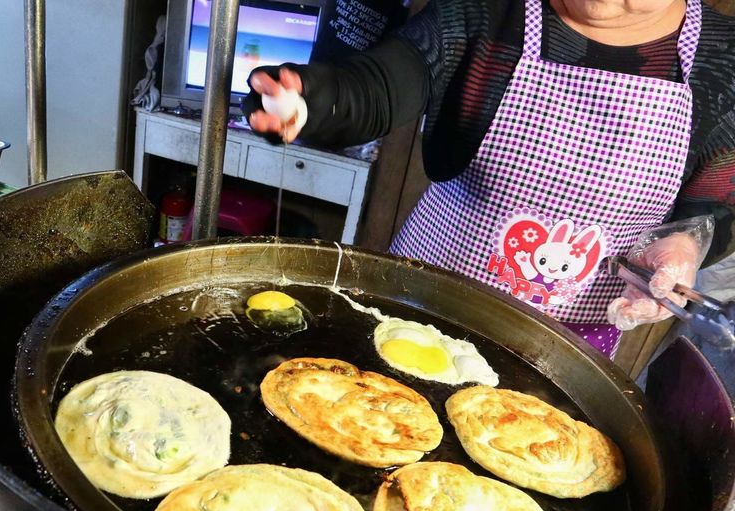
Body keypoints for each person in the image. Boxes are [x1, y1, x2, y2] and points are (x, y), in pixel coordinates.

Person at [243, 0, 735, 357]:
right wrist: (313, 99)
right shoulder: (483, 13)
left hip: (564, 346)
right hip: (422, 302)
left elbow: (718, 197)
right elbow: (381, 83)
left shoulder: (722, 60)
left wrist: (686, 247)